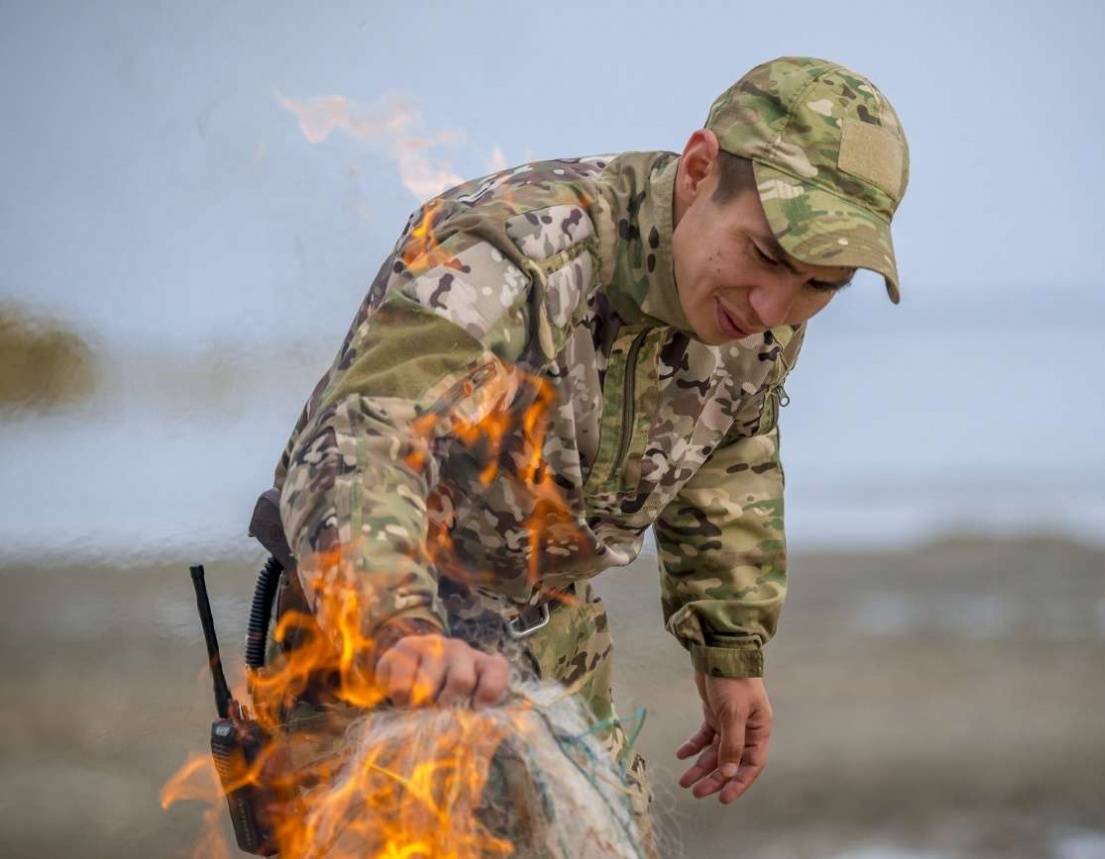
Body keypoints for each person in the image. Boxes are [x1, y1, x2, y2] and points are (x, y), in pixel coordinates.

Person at [264, 55, 909, 853]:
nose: (776, 307)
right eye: (767, 256)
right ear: (700, 169)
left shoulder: (763, 315)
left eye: (821, 285)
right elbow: (365, 433)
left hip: (554, 634)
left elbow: (730, 453)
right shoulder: (519, 250)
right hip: (382, 640)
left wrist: (730, 645)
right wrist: (397, 625)